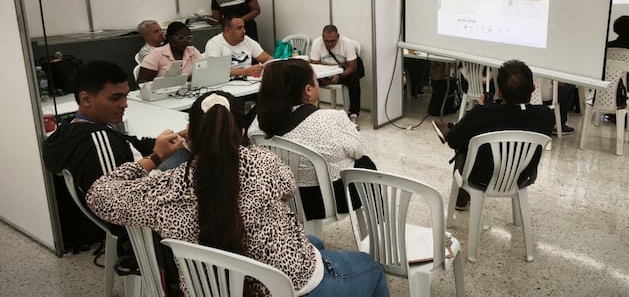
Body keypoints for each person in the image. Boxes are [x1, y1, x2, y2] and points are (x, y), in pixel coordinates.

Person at [87, 91, 390, 297]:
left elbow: (99, 195)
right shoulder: (264, 162)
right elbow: (287, 189)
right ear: (241, 131)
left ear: (189, 132)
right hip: (285, 286)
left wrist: (154, 157)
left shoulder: (166, 187)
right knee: (372, 270)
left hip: (211, 288)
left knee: (315, 242)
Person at [42, 61, 185, 272]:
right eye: (115, 98)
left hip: (133, 196)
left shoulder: (73, 130)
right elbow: (114, 203)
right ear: (86, 99)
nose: (124, 104)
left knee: (184, 152)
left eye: (126, 96)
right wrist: (157, 157)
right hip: (136, 224)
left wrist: (178, 136)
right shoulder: (98, 141)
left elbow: (130, 142)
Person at [249, 59, 376, 220]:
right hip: (324, 202)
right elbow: (358, 150)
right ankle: (378, 224)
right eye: (316, 80)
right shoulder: (331, 119)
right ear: (308, 90)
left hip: (281, 198)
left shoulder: (258, 122)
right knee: (365, 163)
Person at [433, 60, 554, 210]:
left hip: (481, 178)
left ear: (499, 92)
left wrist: (479, 109)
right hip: (522, 177)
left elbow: (454, 142)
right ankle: (454, 131)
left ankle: (461, 197)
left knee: (464, 141)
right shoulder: (547, 116)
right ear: (533, 88)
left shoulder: (484, 113)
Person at [310, 25, 362, 128]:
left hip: (343, 72)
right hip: (324, 74)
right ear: (322, 37)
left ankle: (353, 114)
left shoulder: (347, 43)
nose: (329, 44)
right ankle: (312, 112)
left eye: (332, 41)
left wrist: (339, 76)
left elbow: (353, 67)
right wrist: (324, 78)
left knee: (354, 79)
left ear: (338, 37)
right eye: (326, 41)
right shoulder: (317, 43)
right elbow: (314, 66)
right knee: (307, 79)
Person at [204, 16, 272, 78]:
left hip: (249, 83)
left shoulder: (247, 40)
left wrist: (262, 68)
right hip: (225, 85)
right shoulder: (214, 44)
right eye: (239, 28)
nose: (244, 31)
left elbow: (268, 59)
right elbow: (215, 70)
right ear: (227, 30)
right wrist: (245, 71)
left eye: (243, 27)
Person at [138, 21, 202, 83]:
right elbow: (142, 81)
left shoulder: (192, 51)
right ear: (170, 38)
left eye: (188, 38)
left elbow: (204, 71)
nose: (185, 41)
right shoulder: (156, 53)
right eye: (181, 38)